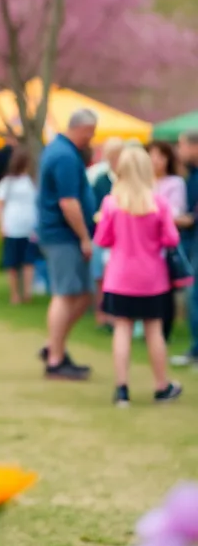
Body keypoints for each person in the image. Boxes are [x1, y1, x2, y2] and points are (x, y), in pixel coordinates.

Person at [92, 145, 184, 406]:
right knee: (154, 330)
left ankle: (122, 389)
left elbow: (102, 239)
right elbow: (171, 238)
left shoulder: (111, 203)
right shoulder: (158, 203)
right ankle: (161, 385)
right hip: (152, 278)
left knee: (122, 328)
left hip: (119, 276)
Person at [37, 109, 99, 380]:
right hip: (63, 236)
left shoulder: (61, 150)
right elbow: (68, 202)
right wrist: (85, 237)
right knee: (65, 294)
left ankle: (55, 345)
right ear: (83, 128)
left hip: (62, 235)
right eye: (91, 132)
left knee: (82, 294)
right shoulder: (64, 155)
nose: (92, 137)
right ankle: (55, 359)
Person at [150, 140, 187, 342]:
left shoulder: (175, 183)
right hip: (144, 245)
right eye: (152, 155)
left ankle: (163, 332)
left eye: (160, 156)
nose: (155, 160)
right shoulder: (143, 183)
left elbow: (175, 214)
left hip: (164, 246)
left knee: (165, 290)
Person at [0, 148, 39, 305]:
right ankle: (14, 294)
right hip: (12, 227)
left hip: (29, 228)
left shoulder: (30, 181)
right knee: (12, 262)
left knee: (28, 261)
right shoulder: (8, 182)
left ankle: (27, 292)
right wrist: (1, 225)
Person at [90, 139, 127, 329]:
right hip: (104, 233)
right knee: (100, 275)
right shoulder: (101, 180)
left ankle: (116, 313)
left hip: (123, 237)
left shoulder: (129, 182)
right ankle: (102, 311)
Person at [172, 131, 198, 367]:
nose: (179, 151)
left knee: (194, 295)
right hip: (190, 241)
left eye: (182, 146)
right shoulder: (189, 175)